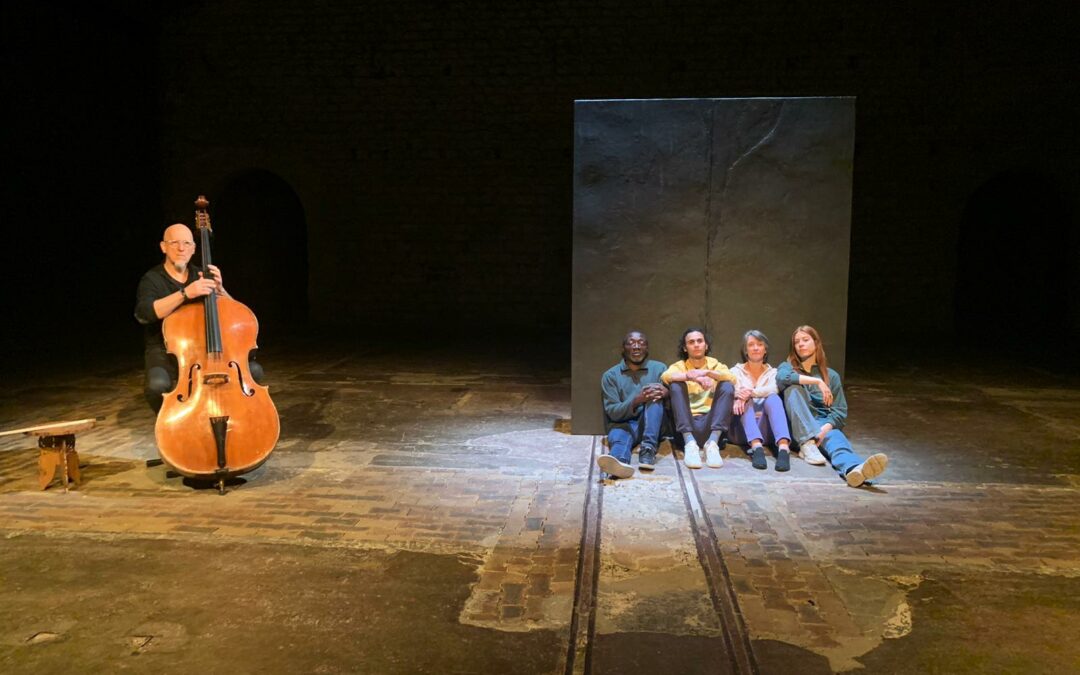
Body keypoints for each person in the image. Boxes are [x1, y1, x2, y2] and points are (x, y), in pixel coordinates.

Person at [134, 223, 262, 412]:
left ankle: (230, 417)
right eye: (174, 243)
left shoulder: (200, 275)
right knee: (157, 386)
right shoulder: (152, 279)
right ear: (163, 247)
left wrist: (221, 290)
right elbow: (145, 313)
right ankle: (172, 426)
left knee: (254, 371)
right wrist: (185, 293)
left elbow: (236, 315)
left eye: (186, 243)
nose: (181, 248)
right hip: (165, 350)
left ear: (194, 248)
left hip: (203, 348)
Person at [776, 325, 888, 487]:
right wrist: (817, 381)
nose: (801, 344)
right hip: (796, 429)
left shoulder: (831, 376)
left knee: (838, 443)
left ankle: (855, 470)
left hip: (821, 425)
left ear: (816, 343)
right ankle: (807, 443)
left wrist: (823, 431)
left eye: (805, 340)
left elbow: (839, 412)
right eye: (796, 342)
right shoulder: (787, 368)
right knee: (793, 387)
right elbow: (782, 377)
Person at [661, 328, 736, 469]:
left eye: (700, 341)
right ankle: (690, 445)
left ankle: (712, 445)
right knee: (676, 385)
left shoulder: (716, 365)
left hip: (711, 426)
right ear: (685, 348)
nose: (696, 344)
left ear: (706, 345)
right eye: (691, 342)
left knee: (727, 386)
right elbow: (666, 377)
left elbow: (732, 377)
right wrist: (692, 376)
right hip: (687, 427)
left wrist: (707, 373)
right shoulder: (680, 366)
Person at [599, 331, 669, 479]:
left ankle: (648, 449)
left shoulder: (659, 369)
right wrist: (637, 400)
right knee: (619, 439)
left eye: (641, 343)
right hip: (623, 424)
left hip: (652, 425)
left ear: (647, 348)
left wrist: (666, 392)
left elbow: (673, 402)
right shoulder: (610, 376)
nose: (636, 347)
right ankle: (618, 463)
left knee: (654, 394)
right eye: (631, 343)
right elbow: (612, 412)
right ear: (623, 348)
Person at [729, 330, 792, 471]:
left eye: (760, 344)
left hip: (768, 428)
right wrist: (742, 396)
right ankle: (756, 448)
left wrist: (751, 393)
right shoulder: (735, 371)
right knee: (744, 400)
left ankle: (783, 449)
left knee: (773, 398)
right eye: (751, 345)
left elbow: (774, 388)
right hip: (742, 431)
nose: (756, 348)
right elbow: (737, 391)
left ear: (765, 350)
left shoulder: (773, 373)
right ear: (746, 350)